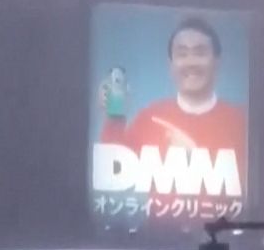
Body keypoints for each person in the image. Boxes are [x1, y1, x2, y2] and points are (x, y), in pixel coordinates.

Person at [98, 17, 247, 162]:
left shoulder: (242, 122)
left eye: (200, 53)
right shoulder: (150, 117)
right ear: (170, 65)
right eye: (182, 54)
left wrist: (195, 158)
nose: (191, 62)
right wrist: (114, 117)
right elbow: (113, 166)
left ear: (217, 62)